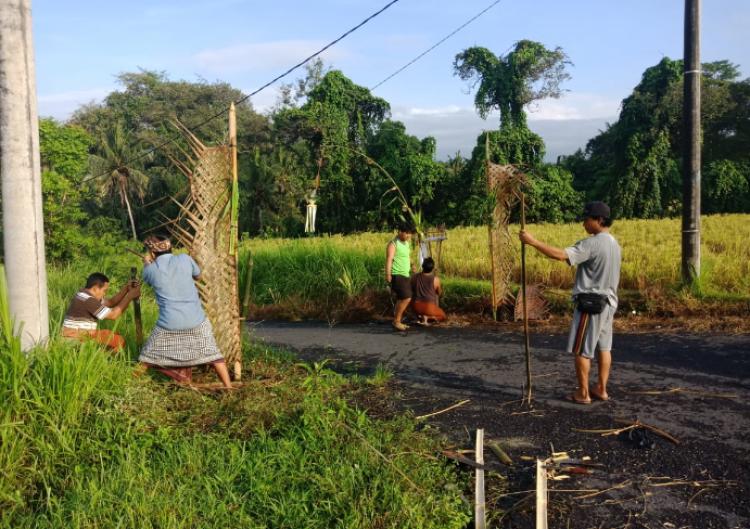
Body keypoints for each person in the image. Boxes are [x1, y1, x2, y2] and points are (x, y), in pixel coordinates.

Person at [519, 201, 621, 404]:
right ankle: (601, 388)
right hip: (609, 303)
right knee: (604, 348)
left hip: (591, 305)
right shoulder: (614, 244)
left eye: (587, 219)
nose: (583, 223)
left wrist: (533, 242)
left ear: (599, 220)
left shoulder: (591, 243)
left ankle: (583, 394)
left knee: (582, 349)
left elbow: (561, 255)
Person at [137, 235, 232, 389]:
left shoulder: (150, 270)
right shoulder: (184, 259)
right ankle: (229, 387)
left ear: (152, 253)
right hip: (197, 321)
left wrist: (147, 263)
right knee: (215, 357)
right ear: (170, 247)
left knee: (146, 358)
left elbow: (149, 278)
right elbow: (198, 276)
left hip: (168, 324)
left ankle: (129, 385)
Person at [61, 272, 141, 351]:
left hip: (83, 335)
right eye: (104, 290)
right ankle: (104, 358)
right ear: (95, 288)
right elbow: (113, 315)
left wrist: (126, 289)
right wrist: (130, 296)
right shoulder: (88, 299)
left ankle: (102, 356)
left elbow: (111, 302)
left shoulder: (83, 294)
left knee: (113, 335)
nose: (104, 294)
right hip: (75, 339)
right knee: (118, 341)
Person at [385, 224, 413, 331]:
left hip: (405, 274)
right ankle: (396, 321)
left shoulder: (406, 244)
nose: (408, 235)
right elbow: (389, 259)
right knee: (407, 297)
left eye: (410, 233)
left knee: (401, 299)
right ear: (400, 232)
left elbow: (407, 256)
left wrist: (412, 264)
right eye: (406, 233)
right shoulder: (393, 244)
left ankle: (397, 321)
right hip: (398, 274)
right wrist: (388, 275)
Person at [411, 257, 446, 325]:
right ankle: (429, 317)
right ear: (432, 268)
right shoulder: (436, 279)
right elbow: (439, 293)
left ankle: (422, 317)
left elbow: (411, 289)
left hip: (416, 306)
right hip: (429, 308)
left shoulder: (414, 277)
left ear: (422, 266)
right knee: (443, 316)